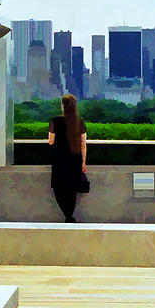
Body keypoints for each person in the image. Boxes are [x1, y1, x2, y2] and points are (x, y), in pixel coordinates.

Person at [48, 94, 87, 223]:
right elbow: (83, 144)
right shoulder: (79, 122)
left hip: (59, 158)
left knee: (59, 187)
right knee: (72, 188)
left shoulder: (55, 121)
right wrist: (83, 163)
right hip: (75, 158)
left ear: (63, 106)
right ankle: (70, 215)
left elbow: (50, 141)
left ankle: (67, 214)